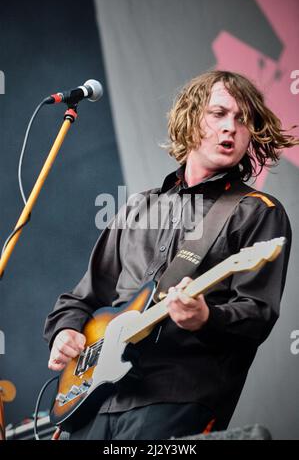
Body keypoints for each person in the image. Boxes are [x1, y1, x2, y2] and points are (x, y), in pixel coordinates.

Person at [44, 70, 297, 440]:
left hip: (177, 398)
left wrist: (205, 317)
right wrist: (64, 331)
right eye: (219, 113)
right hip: (94, 403)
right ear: (191, 118)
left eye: (242, 120)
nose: (230, 127)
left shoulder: (256, 211)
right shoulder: (138, 208)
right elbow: (82, 298)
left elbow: (257, 315)